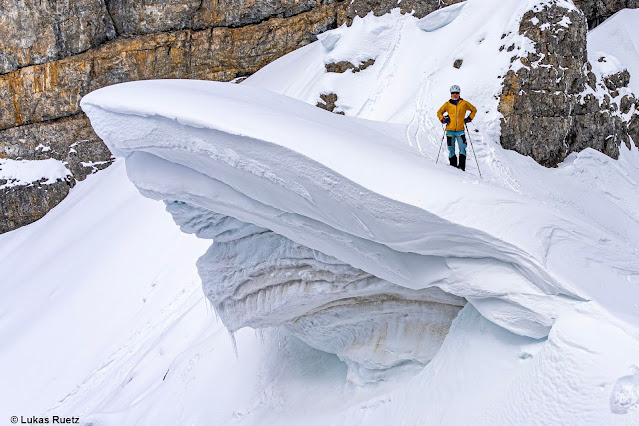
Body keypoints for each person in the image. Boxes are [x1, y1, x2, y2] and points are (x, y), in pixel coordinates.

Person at [437, 85, 477, 171]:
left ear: (459, 94)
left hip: (460, 131)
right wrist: (443, 119)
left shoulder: (464, 103)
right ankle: (453, 169)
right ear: (451, 94)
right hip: (449, 131)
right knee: (451, 150)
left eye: (457, 93)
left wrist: (469, 118)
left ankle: (462, 169)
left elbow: (474, 109)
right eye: (453, 93)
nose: (455, 95)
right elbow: (439, 112)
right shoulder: (447, 104)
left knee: (462, 149)